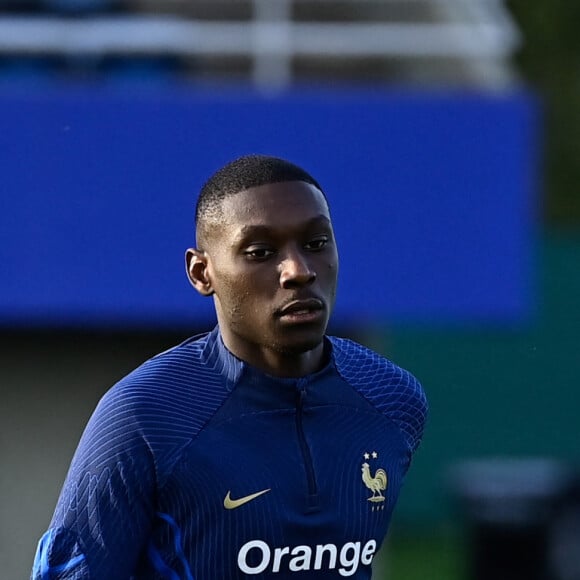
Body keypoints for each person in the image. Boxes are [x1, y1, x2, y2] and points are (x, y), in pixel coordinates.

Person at [32, 154, 428, 579]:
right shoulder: (145, 416)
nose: (298, 270)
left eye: (316, 244)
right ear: (202, 273)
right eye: (260, 252)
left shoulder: (391, 399)